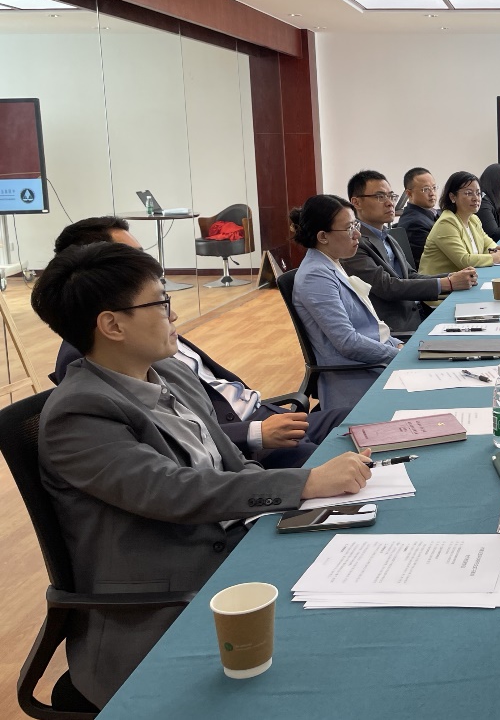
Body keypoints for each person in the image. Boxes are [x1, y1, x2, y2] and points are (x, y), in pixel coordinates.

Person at [31, 241, 372, 709]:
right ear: (112, 325)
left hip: (238, 552)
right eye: (160, 303)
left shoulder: (169, 372)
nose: (173, 314)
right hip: (168, 605)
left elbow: (231, 459)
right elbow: (174, 491)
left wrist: (292, 505)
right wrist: (306, 483)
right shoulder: (79, 413)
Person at [48, 216, 345, 469]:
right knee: (339, 465)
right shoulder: (93, 365)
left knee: (354, 424)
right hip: (246, 443)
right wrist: (254, 436)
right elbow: (178, 464)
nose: (147, 265)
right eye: (129, 256)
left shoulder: (152, 334)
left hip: (258, 421)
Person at [291, 194, 403, 410]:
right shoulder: (315, 276)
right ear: (323, 236)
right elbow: (348, 342)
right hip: (358, 379)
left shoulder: (331, 263)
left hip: (375, 365)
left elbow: (369, 327)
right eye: (350, 228)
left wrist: (397, 344)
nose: (357, 234)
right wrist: (400, 355)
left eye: (356, 225)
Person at [343, 169, 477, 335]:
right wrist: (447, 283)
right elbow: (387, 287)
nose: (390, 203)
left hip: (419, 315)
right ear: (356, 202)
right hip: (395, 330)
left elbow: (410, 275)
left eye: (391, 196)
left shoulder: (387, 236)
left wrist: (452, 276)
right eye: (380, 197)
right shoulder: (354, 244)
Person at [418, 171, 500, 290]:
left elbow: (489, 245)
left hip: (466, 285)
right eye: (468, 193)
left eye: (478, 193)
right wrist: (497, 257)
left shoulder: (473, 219)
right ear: (452, 197)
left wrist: (498, 251)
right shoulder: (447, 223)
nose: (476, 198)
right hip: (440, 291)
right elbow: (464, 261)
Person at [394, 167, 439, 267]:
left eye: (434, 188)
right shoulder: (414, 223)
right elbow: (434, 259)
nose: (432, 193)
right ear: (409, 193)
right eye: (426, 189)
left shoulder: (436, 213)